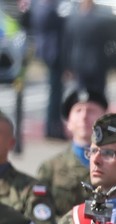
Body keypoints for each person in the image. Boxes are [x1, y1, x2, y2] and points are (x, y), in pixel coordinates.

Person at [37, 88, 106, 218]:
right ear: (68, 122)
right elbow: (42, 214)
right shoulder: (50, 168)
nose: (84, 117)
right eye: (78, 111)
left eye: (91, 111)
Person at [62, 0, 116, 95]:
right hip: (98, 63)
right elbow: (110, 44)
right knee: (98, 95)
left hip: (79, 63)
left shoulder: (73, 21)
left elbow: (67, 45)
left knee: (81, 93)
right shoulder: (101, 23)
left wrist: (67, 66)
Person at [29, 0, 67, 139]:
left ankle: (52, 127)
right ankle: (53, 128)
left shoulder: (39, 8)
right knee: (55, 94)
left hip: (48, 53)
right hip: (53, 54)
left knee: (54, 92)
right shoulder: (48, 11)